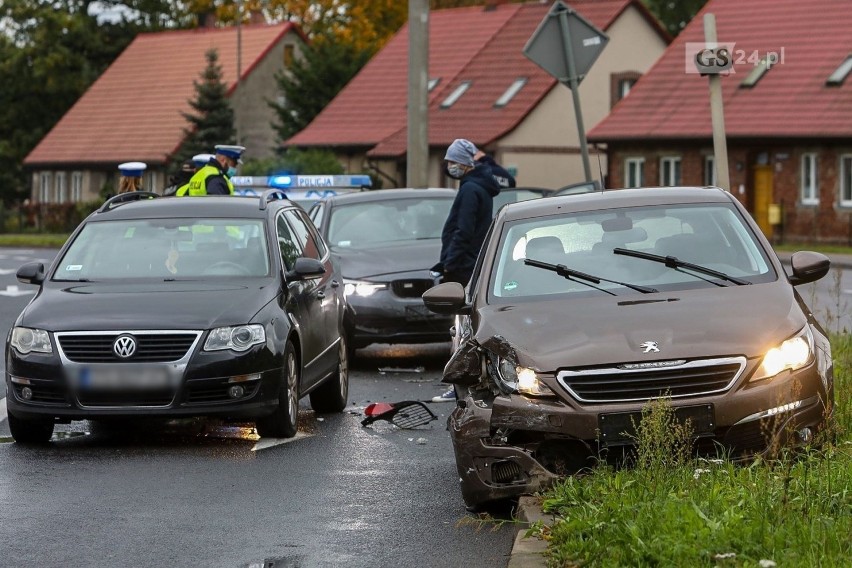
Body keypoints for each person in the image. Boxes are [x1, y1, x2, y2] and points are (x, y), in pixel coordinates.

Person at [432, 139, 501, 402]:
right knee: (467, 324)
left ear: (464, 163)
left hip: (463, 265)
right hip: (471, 261)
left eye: (452, 162)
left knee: (461, 327)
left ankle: (461, 383)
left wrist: (451, 262)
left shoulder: (471, 188)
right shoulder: (479, 186)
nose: (450, 167)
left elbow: (464, 229)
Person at [175, 145, 244, 196]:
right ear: (223, 160)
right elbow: (218, 209)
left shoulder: (201, 173)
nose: (234, 167)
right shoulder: (216, 178)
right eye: (234, 164)